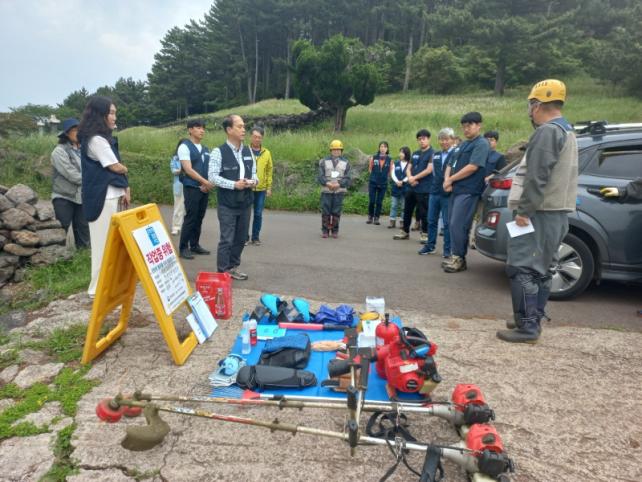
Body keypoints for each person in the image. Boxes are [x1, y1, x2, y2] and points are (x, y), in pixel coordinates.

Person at [496, 79, 578, 344]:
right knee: (542, 268)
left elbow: (537, 175)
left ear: (537, 105)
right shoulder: (567, 130)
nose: (530, 112)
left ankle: (528, 327)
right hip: (556, 213)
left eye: (531, 106)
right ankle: (531, 317)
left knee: (522, 267)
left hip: (539, 212)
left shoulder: (547, 132)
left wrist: (524, 211)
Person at [78, 96, 130, 298]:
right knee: (103, 244)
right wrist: (124, 169)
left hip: (112, 195)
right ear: (100, 114)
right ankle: (96, 290)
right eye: (111, 113)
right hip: (103, 198)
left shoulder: (102, 138)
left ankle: (108, 287)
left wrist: (125, 186)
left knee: (113, 245)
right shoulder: (96, 140)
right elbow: (115, 166)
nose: (114, 117)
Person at [208, 114, 257, 280]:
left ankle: (233, 267)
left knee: (241, 238)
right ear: (229, 130)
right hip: (227, 204)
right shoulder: (218, 152)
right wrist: (234, 184)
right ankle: (222, 272)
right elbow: (212, 177)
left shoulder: (248, 150)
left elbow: (254, 174)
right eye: (239, 126)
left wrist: (253, 182)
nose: (244, 130)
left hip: (245, 202)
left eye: (244, 126)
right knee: (227, 239)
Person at [442, 112, 489, 273]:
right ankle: (456, 256)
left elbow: (473, 167)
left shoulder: (481, 144)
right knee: (452, 223)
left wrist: (450, 180)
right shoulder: (462, 145)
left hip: (469, 191)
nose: (466, 129)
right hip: (456, 190)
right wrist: (447, 180)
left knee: (459, 224)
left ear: (479, 125)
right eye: (463, 126)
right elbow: (450, 163)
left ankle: (459, 258)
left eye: (469, 125)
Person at [51, 117, 90, 249]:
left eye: (80, 129)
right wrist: (92, 181)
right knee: (62, 227)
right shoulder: (59, 151)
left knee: (83, 228)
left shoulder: (84, 150)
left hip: (81, 196)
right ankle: (58, 255)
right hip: (64, 196)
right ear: (67, 133)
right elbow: (71, 174)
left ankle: (83, 255)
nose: (79, 132)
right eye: (75, 130)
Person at [178, 120, 213, 260]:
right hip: (192, 187)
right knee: (191, 217)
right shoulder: (184, 147)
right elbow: (188, 169)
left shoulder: (206, 149)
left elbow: (209, 168)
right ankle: (183, 247)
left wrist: (207, 184)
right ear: (190, 130)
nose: (202, 130)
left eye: (203, 128)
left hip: (204, 188)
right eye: (198, 127)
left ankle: (195, 245)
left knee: (199, 217)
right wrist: (204, 182)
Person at [468, 130, 508, 249]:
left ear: (496, 142)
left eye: (492, 140)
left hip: (487, 192)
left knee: (481, 216)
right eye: (487, 140)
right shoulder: (478, 154)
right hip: (473, 189)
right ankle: (465, 237)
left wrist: (490, 177)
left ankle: (474, 240)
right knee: (469, 215)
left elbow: (502, 173)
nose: (489, 142)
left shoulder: (499, 157)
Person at [419, 128, 455, 257]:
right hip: (434, 192)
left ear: (452, 140)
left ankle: (447, 250)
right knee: (431, 220)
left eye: (446, 139)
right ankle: (430, 246)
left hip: (448, 193)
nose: (444, 142)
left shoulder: (457, 153)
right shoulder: (436, 154)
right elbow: (434, 173)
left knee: (447, 223)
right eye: (441, 139)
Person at [393, 129, 433, 241]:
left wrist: (414, 178)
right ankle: (405, 232)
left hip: (424, 188)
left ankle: (425, 234)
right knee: (407, 210)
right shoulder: (415, 153)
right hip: (411, 187)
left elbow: (429, 170)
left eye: (424, 139)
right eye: (419, 139)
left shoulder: (432, 153)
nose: (422, 141)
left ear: (429, 139)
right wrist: (410, 178)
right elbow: (408, 168)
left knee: (424, 212)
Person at [318, 139, 351, 238]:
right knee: (326, 211)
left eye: (338, 149)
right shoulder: (324, 161)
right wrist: (327, 183)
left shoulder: (346, 162)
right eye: (334, 149)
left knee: (336, 211)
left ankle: (335, 231)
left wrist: (339, 184)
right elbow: (320, 176)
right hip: (326, 190)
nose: (336, 151)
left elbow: (348, 177)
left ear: (341, 151)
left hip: (339, 191)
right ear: (331, 150)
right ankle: (325, 231)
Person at [246, 126, 273, 246]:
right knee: (245, 214)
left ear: (262, 138)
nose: (257, 139)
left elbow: (269, 171)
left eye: (259, 137)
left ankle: (255, 237)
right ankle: (244, 237)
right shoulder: (244, 151)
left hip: (261, 189)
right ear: (250, 137)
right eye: (255, 137)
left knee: (258, 214)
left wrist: (269, 187)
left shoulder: (266, 153)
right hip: (247, 188)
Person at [366, 141, 391, 225]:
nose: (383, 148)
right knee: (372, 201)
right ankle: (370, 216)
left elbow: (390, 172)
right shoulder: (374, 157)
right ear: (379, 148)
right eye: (381, 146)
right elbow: (370, 169)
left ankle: (377, 218)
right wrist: (374, 176)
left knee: (379, 202)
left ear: (387, 149)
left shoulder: (390, 160)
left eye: (384, 147)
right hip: (373, 182)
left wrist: (384, 177)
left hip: (383, 183)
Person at [388, 146, 411, 229]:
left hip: (405, 188)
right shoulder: (396, 163)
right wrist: (397, 181)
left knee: (404, 206)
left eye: (402, 152)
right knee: (393, 205)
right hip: (396, 187)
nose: (400, 154)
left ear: (406, 154)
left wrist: (403, 181)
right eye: (400, 152)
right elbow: (392, 173)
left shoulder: (410, 164)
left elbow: (410, 174)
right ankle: (392, 220)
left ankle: (402, 221)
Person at [170, 139, 186, 236]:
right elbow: (173, 171)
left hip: (190, 184)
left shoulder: (190, 156)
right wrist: (182, 169)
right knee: (178, 206)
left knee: (189, 207)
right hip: (179, 184)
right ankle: (176, 227)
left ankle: (187, 226)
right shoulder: (175, 158)